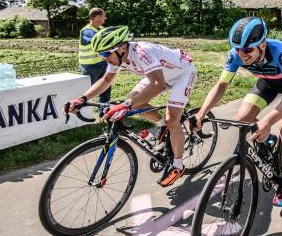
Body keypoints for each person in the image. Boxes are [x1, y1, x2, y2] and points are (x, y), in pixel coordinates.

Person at [191, 17, 282, 207]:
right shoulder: (235, 55)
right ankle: (268, 141)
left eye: (247, 50)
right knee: (243, 117)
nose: (241, 55)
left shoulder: (280, 52)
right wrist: (201, 113)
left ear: (263, 44)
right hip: (267, 82)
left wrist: (267, 121)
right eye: (237, 49)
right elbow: (221, 86)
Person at [65, 26, 198, 187]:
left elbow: (158, 85)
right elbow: (107, 80)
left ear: (122, 47)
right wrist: (82, 98)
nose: (104, 58)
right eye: (101, 54)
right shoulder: (118, 56)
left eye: (106, 54)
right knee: (133, 100)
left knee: (172, 119)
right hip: (159, 75)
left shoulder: (142, 52)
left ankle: (177, 165)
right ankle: (162, 125)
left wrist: (125, 106)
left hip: (182, 75)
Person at [78, 8, 111, 103]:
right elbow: (97, 44)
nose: (105, 18)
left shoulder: (101, 29)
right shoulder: (87, 31)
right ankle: (82, 111)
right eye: (104, 16)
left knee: (105, 87)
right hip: (90, 66)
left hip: (102, 63)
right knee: (88, 91)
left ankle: (104, 109)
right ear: (97, 17)